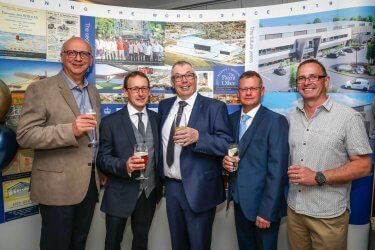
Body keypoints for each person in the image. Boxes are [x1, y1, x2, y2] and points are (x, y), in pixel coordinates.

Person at [16, 37, 101, 250]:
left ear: (90, 61)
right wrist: (70, 130)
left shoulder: (93, 92)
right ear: (62, 57)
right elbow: (25, 135)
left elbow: (94, 138)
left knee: (79, 243)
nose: (78, 58)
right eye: (72, 53)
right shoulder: (40, 89)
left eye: (84, 54)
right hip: (57, 188)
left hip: (89, 185)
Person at [287, 59, 372, 250]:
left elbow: (364, 166)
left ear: (326, 81)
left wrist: (318, 176)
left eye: (313, 77)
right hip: (294, 212)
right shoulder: (291, 117)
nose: (306, 82)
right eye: (301, 78)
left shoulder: (348, 117)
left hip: (328, 216)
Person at [158, 61, 232, 250]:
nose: (184, 80)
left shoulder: (214, 107)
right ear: (172, 82)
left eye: (188, 75)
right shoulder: (164, 106)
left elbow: (226, 144)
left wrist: (199, 137)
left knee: (199, 245)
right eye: (178, 77)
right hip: (172, 187)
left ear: (196, 79)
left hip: (200, 189)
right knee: (178, 244)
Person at [223, 71, 289, 250]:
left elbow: (278, 170)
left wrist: (267, 211)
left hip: (263, 208)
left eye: (253, 88)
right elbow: (229, 153)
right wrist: (224, 164)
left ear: (262, 90)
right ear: (238, 92)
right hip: (239, 203)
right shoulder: (231, 120)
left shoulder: (276, 121)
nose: (248, 93)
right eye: (244, 89)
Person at [97, 71, 162, 250]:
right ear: (125, 91)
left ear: (149, 91)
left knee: (141, 241)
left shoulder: (157, 119)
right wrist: (123, 165)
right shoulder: (110, 122)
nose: (140, 93)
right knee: (112, 243)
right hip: (120, 193)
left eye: (144, 88)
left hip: (148, 193)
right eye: (135, 89)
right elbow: (102, 159)